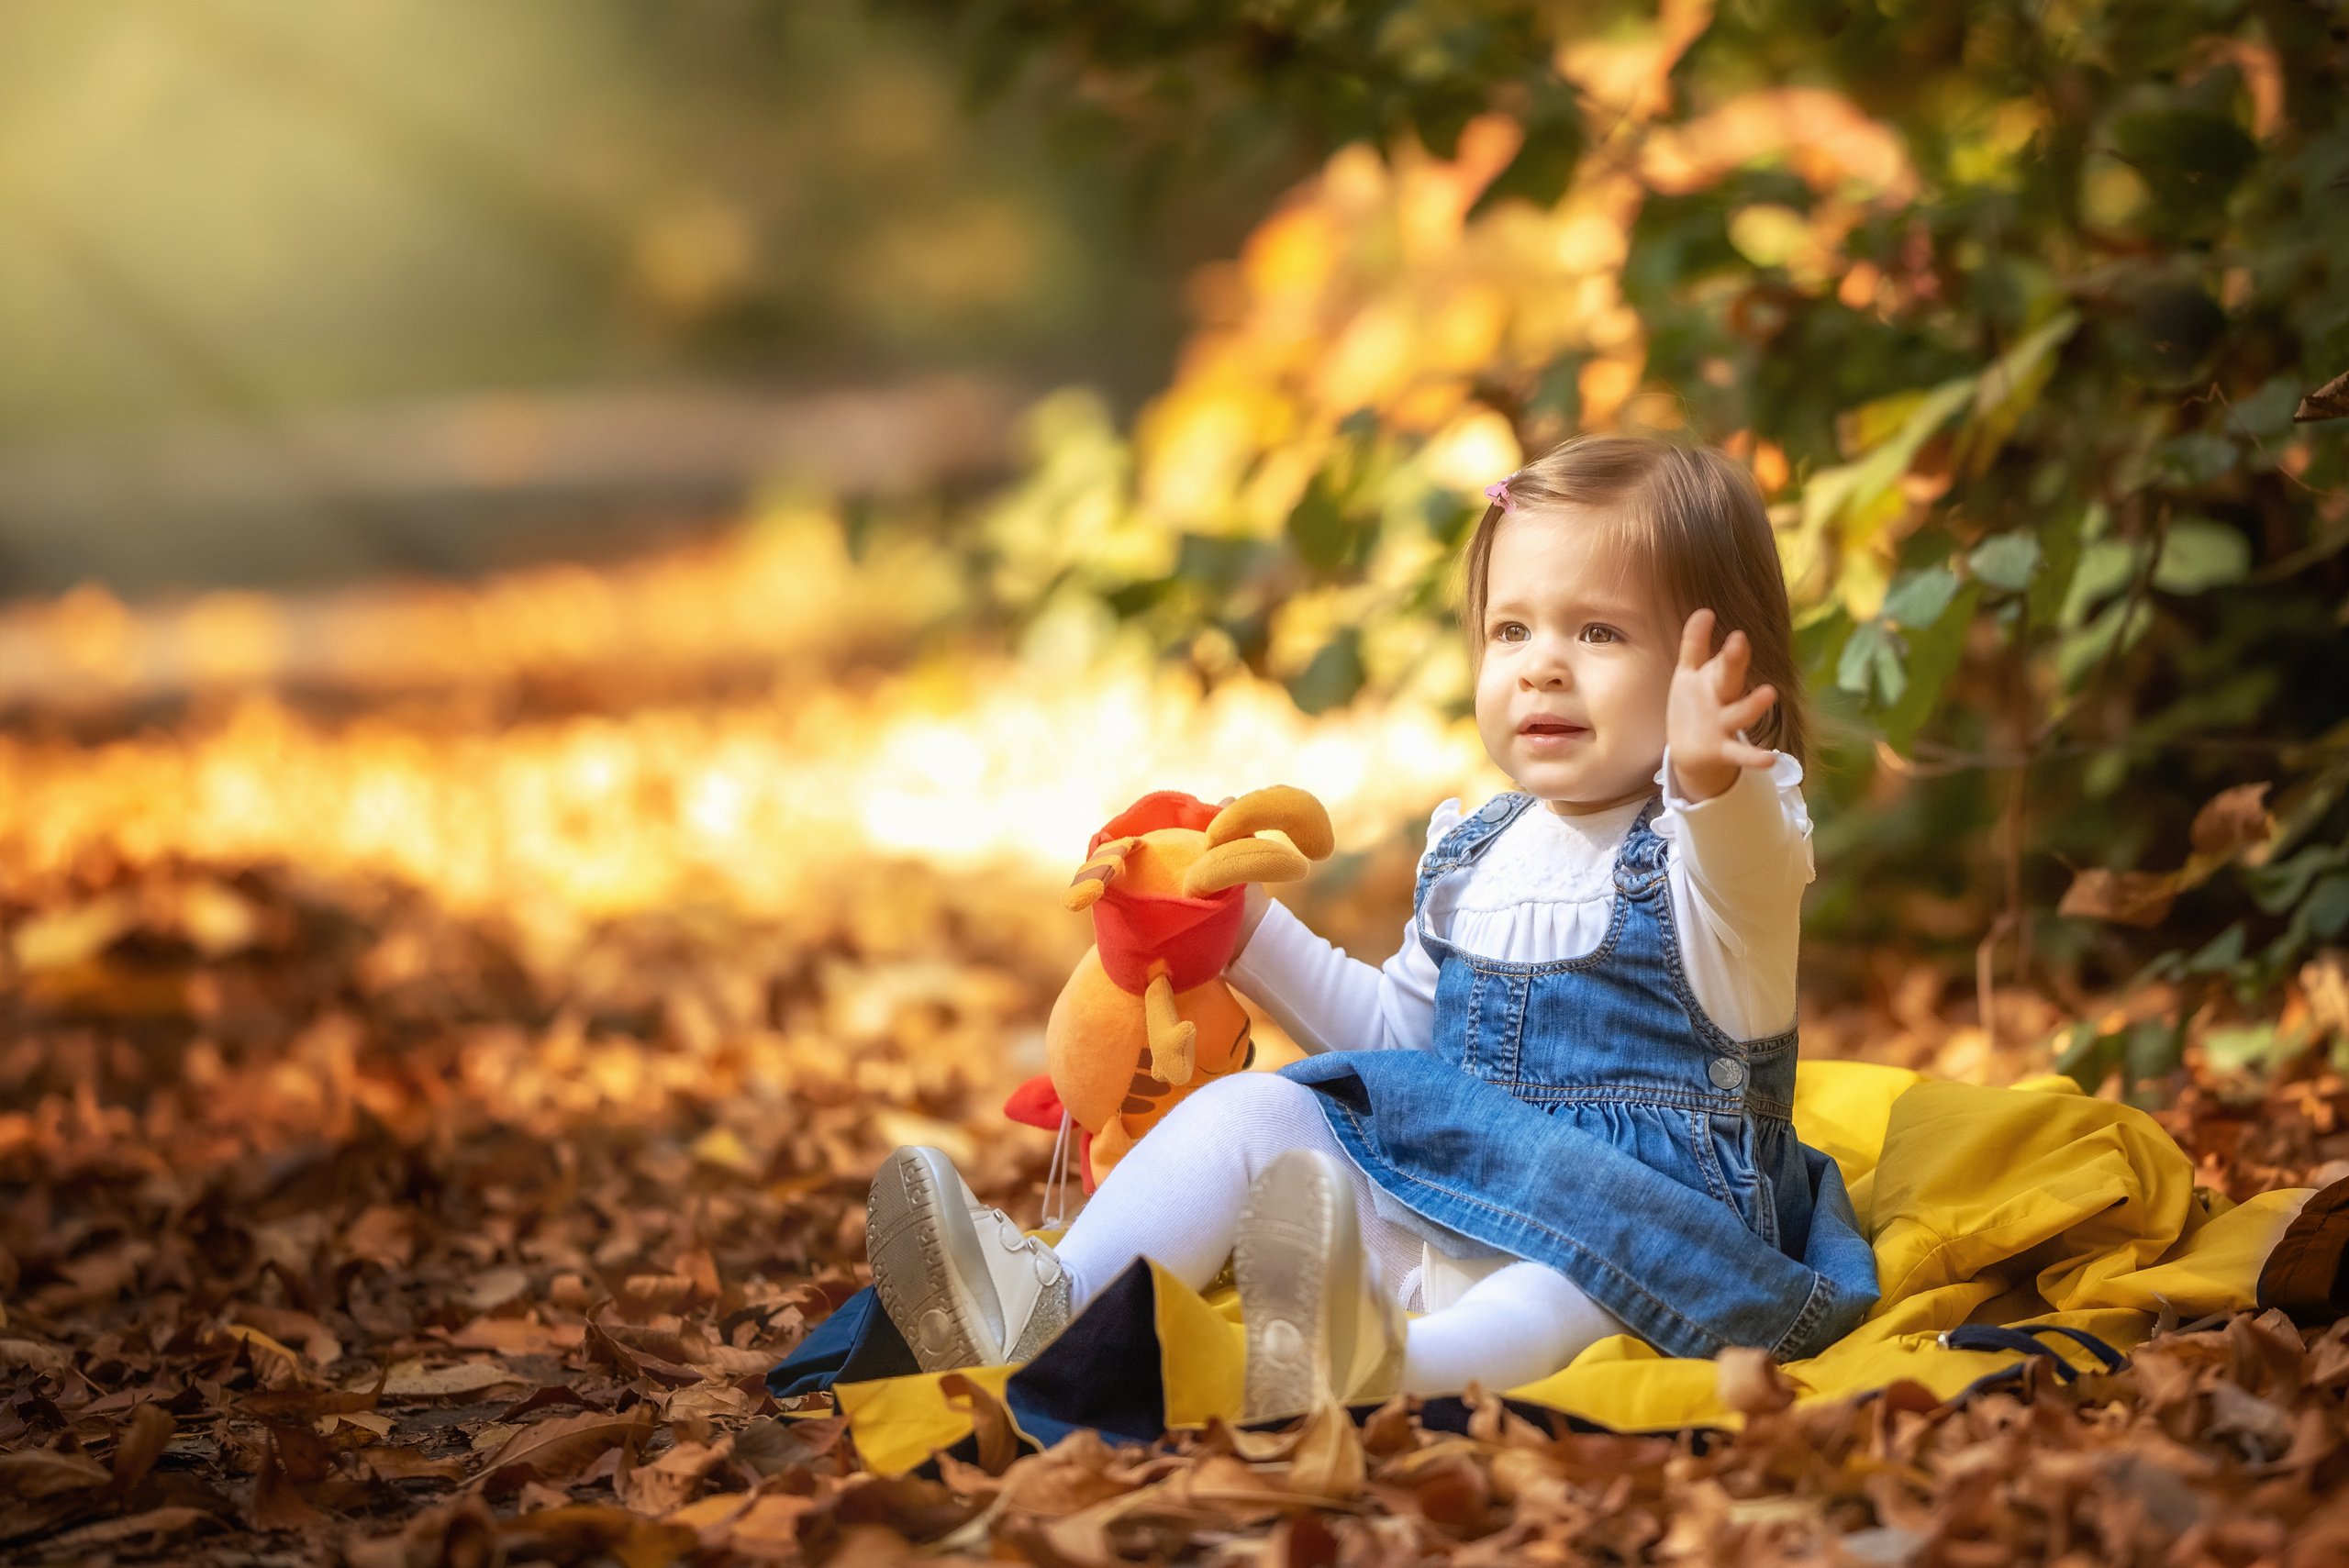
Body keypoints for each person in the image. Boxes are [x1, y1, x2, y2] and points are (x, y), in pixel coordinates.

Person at [863, 434, 1879, 1418]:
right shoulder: (1475, 851)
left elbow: (1737, 854)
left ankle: (1385, 1362)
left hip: (1642, 1239)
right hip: (1439, 1194)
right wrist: (1232, 922)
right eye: (1510, 630)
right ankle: (1047, 1299)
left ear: (1725, 672)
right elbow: (1396, 1048)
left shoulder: (1722, 855)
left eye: (1599, 632)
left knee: (1552, 1291)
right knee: (1249, 1114)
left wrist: (1710, 773)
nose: (1540, 666)